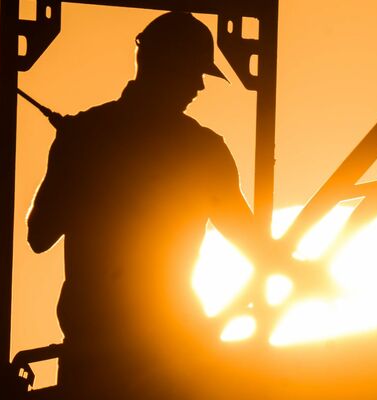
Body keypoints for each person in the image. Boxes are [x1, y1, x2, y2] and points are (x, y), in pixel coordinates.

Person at [27, 12, 288, 398]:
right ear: (164, 67)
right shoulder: (201, 150)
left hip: (102, 351)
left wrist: (82, 162)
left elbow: (40, 232)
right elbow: (252, 242)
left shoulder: (85, 136)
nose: (199, 86)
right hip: (157, 350)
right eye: (192, 72)